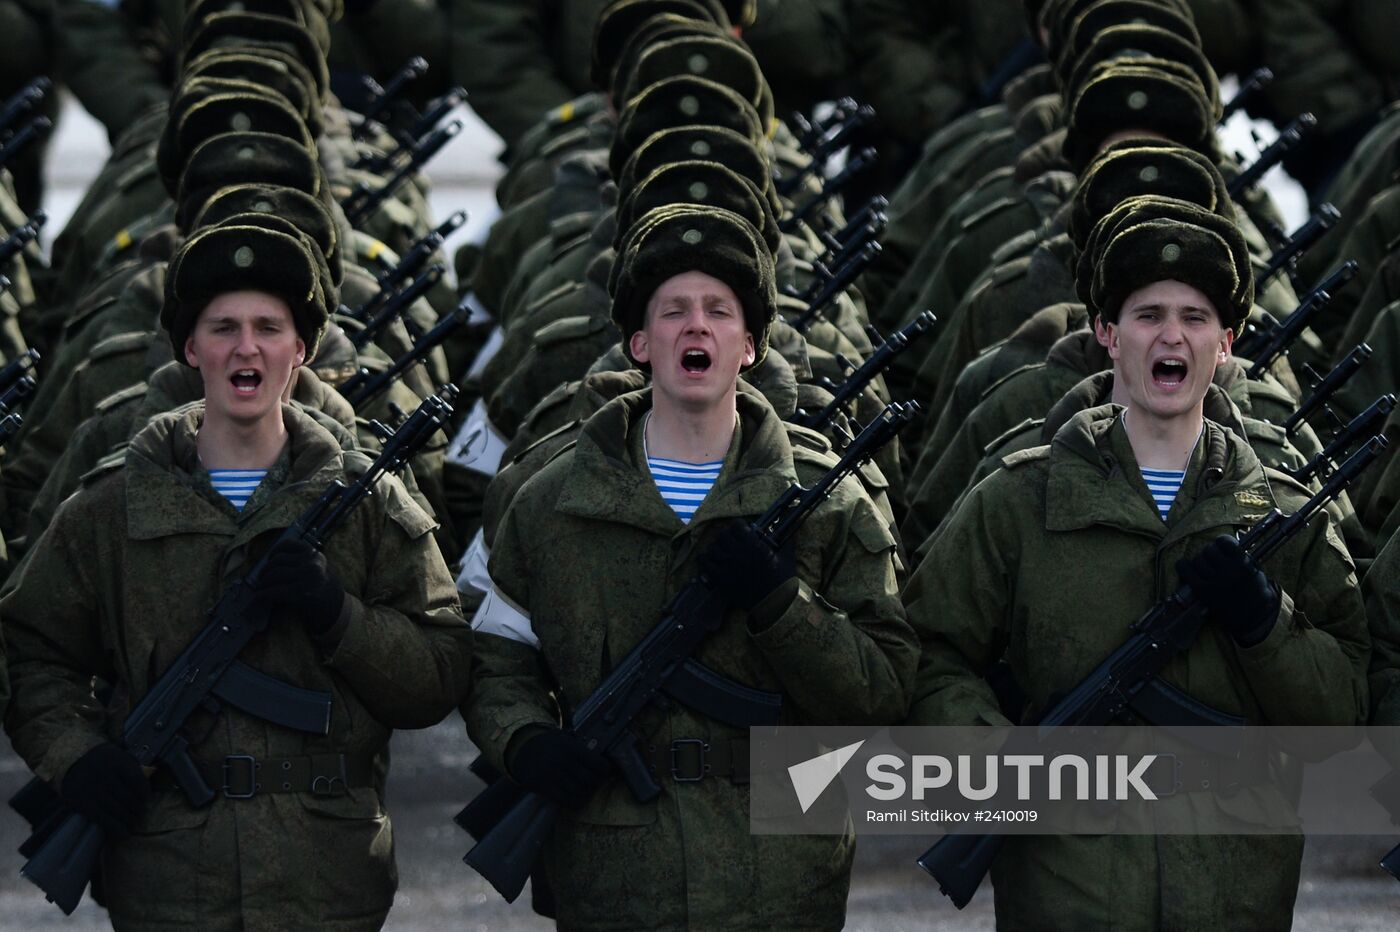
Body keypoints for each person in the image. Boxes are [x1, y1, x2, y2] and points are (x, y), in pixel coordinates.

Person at [902, 197, 1370, 930]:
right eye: (1148, 315)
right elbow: (930, 651)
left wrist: (1262, 622)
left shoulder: (1281, 512)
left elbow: (1343, 711)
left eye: (1195, 317)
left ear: (1227, 345)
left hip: (1233, 881)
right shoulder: (1020, 498)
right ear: (1107, 335)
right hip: (1068, 881)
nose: (1170, 337)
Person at [0, 219, 473, 929]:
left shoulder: (368, 505)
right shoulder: (109, 507)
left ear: (301, 350)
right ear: (190, 349)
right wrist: (77, 755)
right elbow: (33, 650)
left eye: (268, 327)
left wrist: (335, 615)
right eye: (222, 328)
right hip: (168, 877)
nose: (245, 347)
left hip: (326, 877)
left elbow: (440, 672)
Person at [462, 204, 917, 928]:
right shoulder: (551, 500)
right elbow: (496, 656)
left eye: (719, 311)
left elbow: (885, 685)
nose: (696, 326)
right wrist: (525, 740)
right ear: (639, 343)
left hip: (780, 875)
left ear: (751, 344)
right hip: (614, 869)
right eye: (673, 312)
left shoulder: (827, 500)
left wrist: (779, 603)